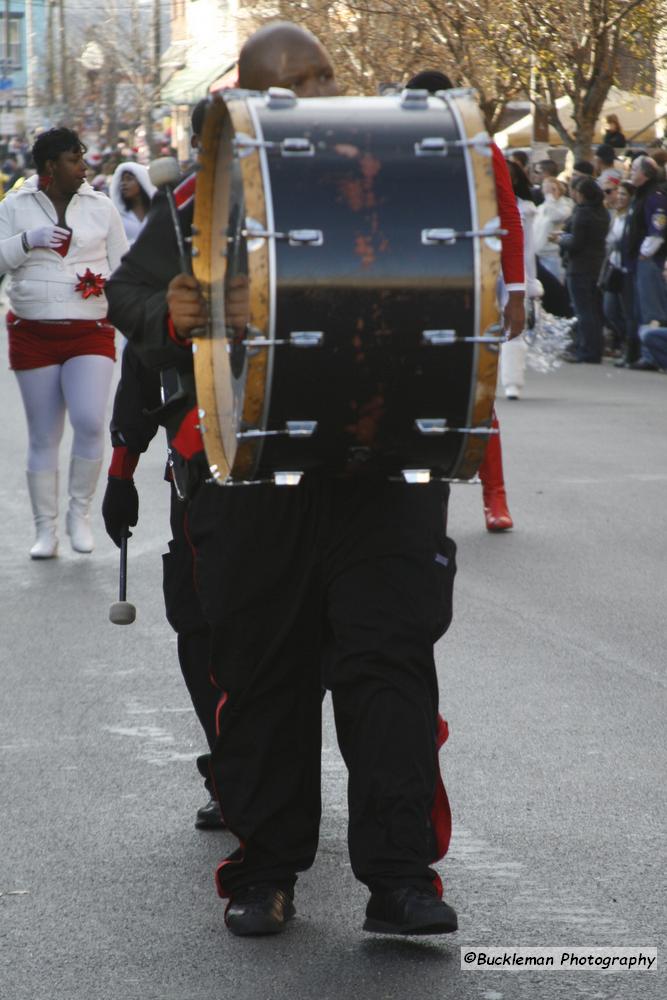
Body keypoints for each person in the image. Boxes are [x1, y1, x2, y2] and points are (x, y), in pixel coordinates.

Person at [107, 24, 516, 939]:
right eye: (288, 82)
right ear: (244, 99)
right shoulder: (196, 199)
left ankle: (401, 878)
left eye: (323, 75)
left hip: (383, 472)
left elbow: (480, 288)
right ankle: (267, 869)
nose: (313, 92)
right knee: (262, 676)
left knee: (390, 669)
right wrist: (184, 309)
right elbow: (129, 298)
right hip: (254, 478)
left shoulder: (403, 171)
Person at [101, 100, 225, 831]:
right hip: (203, 458)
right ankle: (231, 764)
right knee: (199, 620)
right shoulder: (180, 216)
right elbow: (142, 347)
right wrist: (123, 466)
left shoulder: (336, 197)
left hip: (316, 469)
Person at [405, 69, 526, 531]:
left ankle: (495, 497)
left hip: (470, 286)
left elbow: (509, 218)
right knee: (410, 393)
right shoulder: (397, 149)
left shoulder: (479, 146)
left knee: (476, 394)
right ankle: (415, 503)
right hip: (411, 288)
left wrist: (515, 294)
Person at [0, 127, 128, 558]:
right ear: (51, 165)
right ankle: (45, 531)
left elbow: (124, 268)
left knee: (91, 421)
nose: (84, 166)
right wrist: (25, 242)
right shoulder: (16, 205)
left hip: (89, 331)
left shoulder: (101, 206)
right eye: (75, 159)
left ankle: (80, 515)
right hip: (32, 333)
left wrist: (108, 292)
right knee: (43, 436)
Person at [500, 160, 543, 400]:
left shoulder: (525, 209)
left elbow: (527, 249)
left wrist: (531, 281)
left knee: (514, 326)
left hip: (514, 270)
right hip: (486, 269)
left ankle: (512, 381)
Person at [558, 176, 609, 363]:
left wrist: (561, 239)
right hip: (595, 265)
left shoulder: (582, 213)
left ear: (581, 194)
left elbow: (576, 242)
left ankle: (586, 349)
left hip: (579, 266)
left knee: (583, 310)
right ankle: (594, 348)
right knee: (593, 310)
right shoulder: (602, 213)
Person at [623, 156, 667, 370]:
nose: (631, 172)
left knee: (651, 311)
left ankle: (651, 356)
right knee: (639, 309)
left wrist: (645, 252)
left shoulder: (655, 196)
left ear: (646, 174)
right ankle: (643, 352)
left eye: (634, 169)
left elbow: (657, 228)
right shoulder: (640, 195)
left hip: (649, 261)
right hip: (636, 262)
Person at [602, 181, 633, 355]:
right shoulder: (615, 215)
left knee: (626, 309)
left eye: (624, 195)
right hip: (613, 266)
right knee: (610, 309)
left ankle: (628, 346)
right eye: (619, 193)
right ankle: (622, 341)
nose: (620, 197)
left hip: (625, 268)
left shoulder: (631, 217)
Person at [534, 177, 573, 283]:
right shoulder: (541, 207)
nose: (547, 192)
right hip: (539, 255)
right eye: (545, 189)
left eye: (551, 189)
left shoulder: (566, 206)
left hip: (553, 255)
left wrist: (550, 197)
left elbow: (554, 216)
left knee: (556, 284)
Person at [109, 162, 156, 245]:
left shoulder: (156, 212)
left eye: (129, 179)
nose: (123, 183)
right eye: (122, 180)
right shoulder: (117, 215)